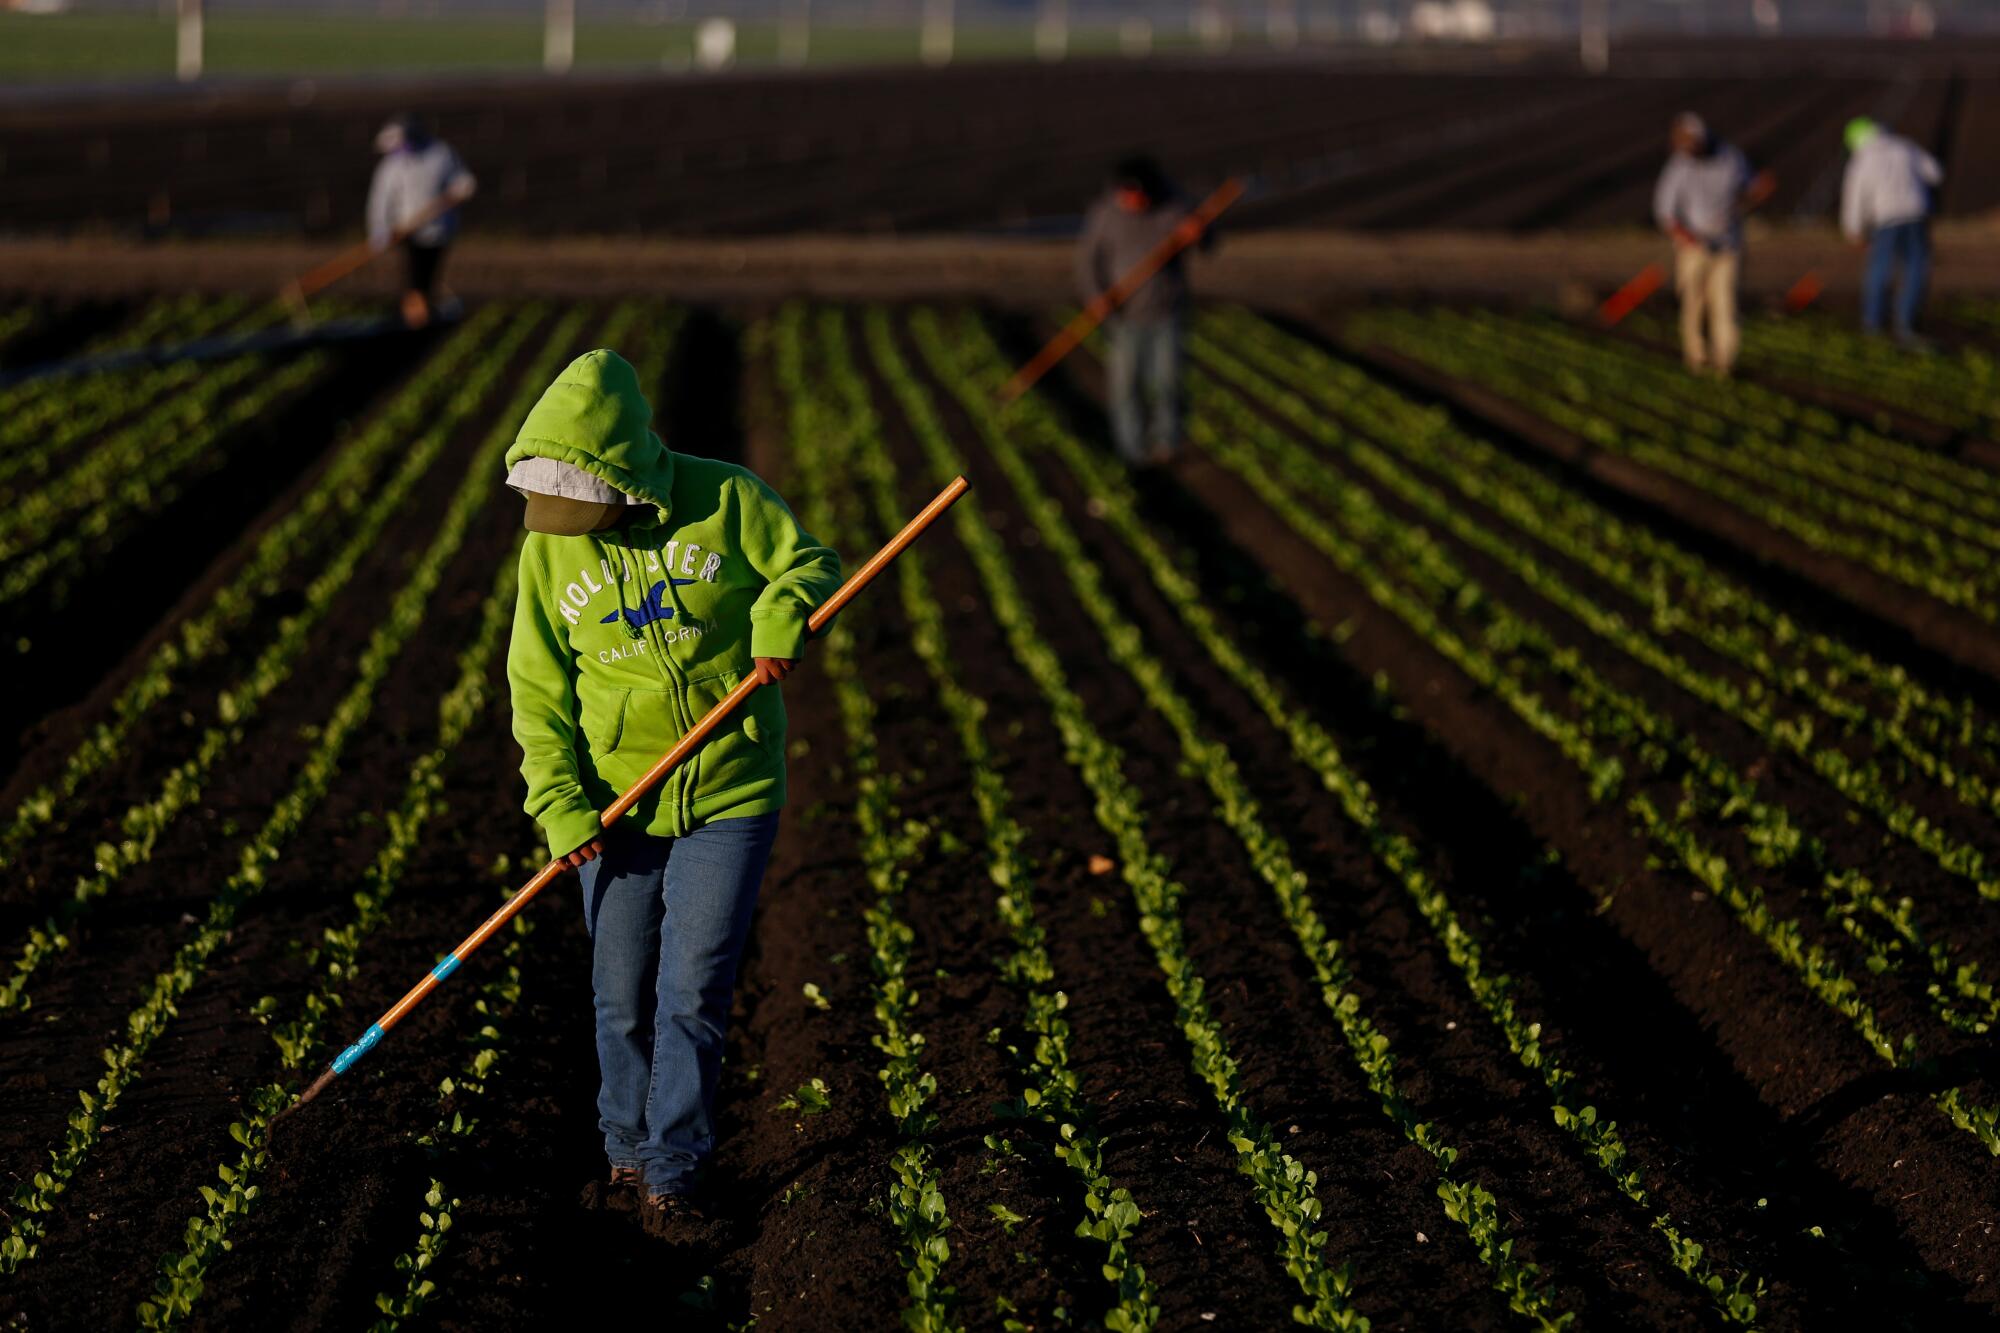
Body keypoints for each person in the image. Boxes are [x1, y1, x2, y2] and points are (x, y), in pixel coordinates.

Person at [505, 349, 842, 1221]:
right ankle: (622, 1149)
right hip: (613, 807)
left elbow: (807, 564)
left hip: (729, 792)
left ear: (620, 474)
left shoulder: (726, 499)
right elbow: (537, 695)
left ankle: (674, 1169)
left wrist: (777, 616)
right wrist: (561, 804)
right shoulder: (546, 551)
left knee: (692, 988)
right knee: (619, 990)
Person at [1075, 155, 1212, 466]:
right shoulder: (1105, 215)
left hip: (1166, 312)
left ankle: (1168, 442)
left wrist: (1199, 234)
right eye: (1128, 195)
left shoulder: (1174, 208)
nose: (1133, 201)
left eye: (1139, 195)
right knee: (1125, 387)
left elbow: (1209, 241)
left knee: (1168, 382)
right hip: (1123, 317)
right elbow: (1087, 262)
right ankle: (1131, 450)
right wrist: (1096, 297)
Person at [1652, 112, 1775, 377]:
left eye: (1690, 142)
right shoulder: (1678, 166)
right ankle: (1696, 360)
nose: (1686, 148)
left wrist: (1759, 191)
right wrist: (1685, 237)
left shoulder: (1730, 158)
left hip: (1728, 244)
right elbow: (1665, 211)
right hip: (1693, 247)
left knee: (1725, 303)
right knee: (1693, 304)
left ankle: (1724, 363)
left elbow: (1750, 188)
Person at [366, 114, 476, 329]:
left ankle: (422, 316)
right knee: (413, 278)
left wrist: (461, 189)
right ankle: (414, 318)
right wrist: (378, 229)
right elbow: (380, 201)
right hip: (407, 232)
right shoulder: (391, 166)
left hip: (439, 230)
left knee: (429, 275)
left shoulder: (441, 154)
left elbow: (463, 182)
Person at [1841, 117, 1944, 344]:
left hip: (1886, 219)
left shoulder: (1862, 160)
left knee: (1879, 270)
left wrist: (1853, 229)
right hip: (1916, 214)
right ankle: (1906, 324)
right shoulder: (1905, 147)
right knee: (1916, 269)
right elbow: (1935, 173)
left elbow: (1855, 198)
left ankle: (1872, 325)